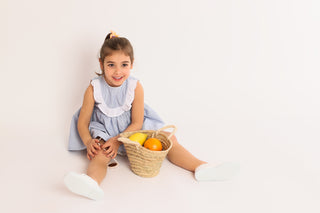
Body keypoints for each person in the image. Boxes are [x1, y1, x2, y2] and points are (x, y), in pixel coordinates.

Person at [64, 31, 239, 200]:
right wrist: (88, 142)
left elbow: (137, 122)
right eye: (111, 65)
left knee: (168, 140)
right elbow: (83, 122)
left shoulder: (135, 86)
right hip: (106, 129)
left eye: (124, 64)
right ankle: (92, 183)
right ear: (101, 63)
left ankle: (201, 167)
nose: (118, 71)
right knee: (100, 154)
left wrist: (119, 139)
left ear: (132, 64)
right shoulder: (93, 88)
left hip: (132, 129)